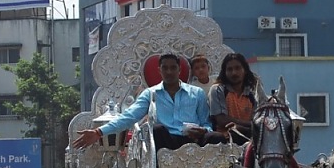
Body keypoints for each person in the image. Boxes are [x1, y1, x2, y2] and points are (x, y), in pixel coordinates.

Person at [72, 53, 212, 152]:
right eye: (165, 68)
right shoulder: (150, 94)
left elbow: (206, 123)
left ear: (179, 70)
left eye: (173, 68)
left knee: (216, 137)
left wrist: (204, 130)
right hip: (164, 143)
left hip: (194, 142)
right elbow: (129, 116)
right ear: (159, 70)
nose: (169, 72)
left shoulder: (197, 93)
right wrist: (99, 132)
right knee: (157, 129)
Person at [207, 53, 259, 145]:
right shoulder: (218, 90)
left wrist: (239, 126)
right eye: (229, 69)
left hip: (247, 136)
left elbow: (257, 122)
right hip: (224, 137)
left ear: (245, 70)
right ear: (225, 72)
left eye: (238, 68)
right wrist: (246, 124)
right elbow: (221, 120)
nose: (234, 73)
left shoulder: (253, 94)